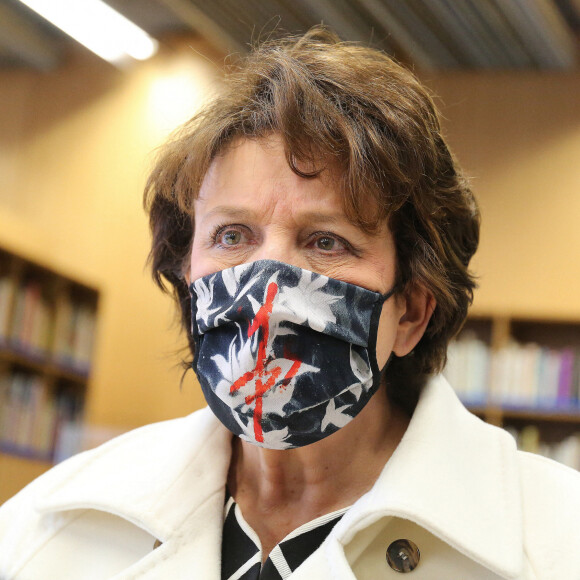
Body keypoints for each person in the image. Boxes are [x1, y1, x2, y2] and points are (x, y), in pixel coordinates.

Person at [1, 26, 579, 580]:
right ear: (187, 275)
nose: (267, 288)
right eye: (232, 236)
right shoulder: (48, 527)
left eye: (326, 241)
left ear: (411, 313)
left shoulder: (556, 544)